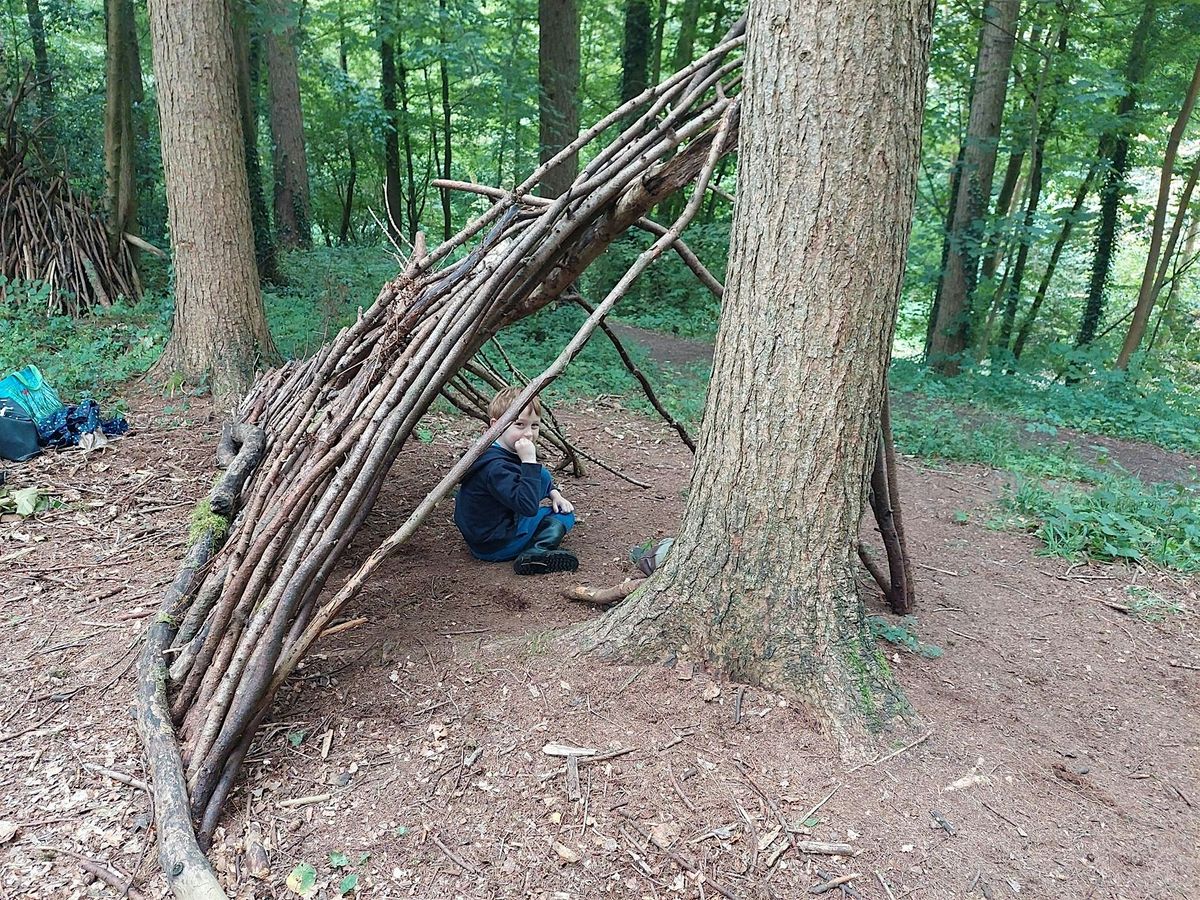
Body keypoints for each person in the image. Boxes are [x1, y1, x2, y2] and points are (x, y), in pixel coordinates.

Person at [453, 386, 578, 575]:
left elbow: (540, 476)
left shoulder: (490, 452)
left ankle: (533, 544)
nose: (529, 433)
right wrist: (528, 460)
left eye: (534, 426)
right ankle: (535, 553)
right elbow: (527, 507)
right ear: (496, 425)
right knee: (564, 516)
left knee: (540, 475)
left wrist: (554, 494)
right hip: (496, 544)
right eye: (520, 425)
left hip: (485, 538)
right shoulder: (496, 468)